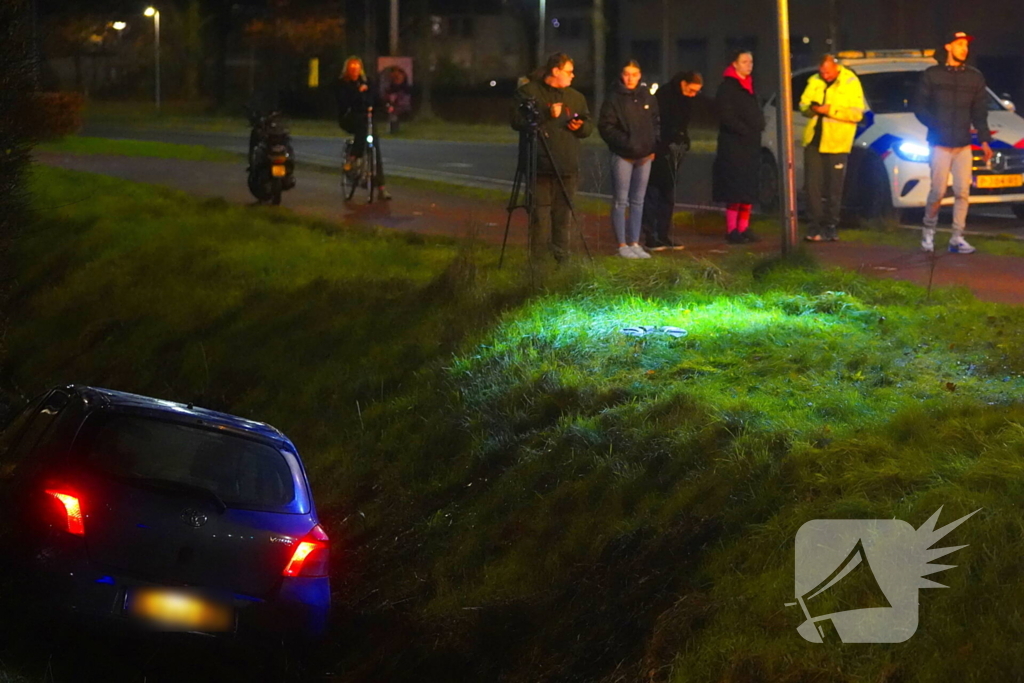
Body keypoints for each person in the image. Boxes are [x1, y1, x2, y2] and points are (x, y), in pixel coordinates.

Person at [913, 31, 993, 254]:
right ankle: (928, 233)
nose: (964, 49)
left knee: (962, 192)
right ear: (948, 47)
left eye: (966, 45)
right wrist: (935, 125)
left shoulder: (974, 77)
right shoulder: (932, 75)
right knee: (938, 192)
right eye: (959, 44)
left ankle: (957, 237)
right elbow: (919, 106)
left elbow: (979, 112)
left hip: (963, 144)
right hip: (939, 144)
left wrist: (985, 141)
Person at [511, 52, 593, 264]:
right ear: (555, 71)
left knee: (563, 219)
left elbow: (588, 127)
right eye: (569, 71)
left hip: (567, 167)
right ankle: (537, 266)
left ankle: (561, 264)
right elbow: (517, 121)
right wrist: (546, 114)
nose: (572, 76)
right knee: (539, 219)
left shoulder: (576, 98)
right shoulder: (528, 92)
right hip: (539, 166)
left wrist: (581, 126)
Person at [798, 54, 866, 242]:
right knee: (812, 187)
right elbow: (803, 104)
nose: (825, 76)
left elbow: (856, 113)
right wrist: (812, 109)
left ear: (836, 68)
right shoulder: (814, 81)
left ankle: (830, 226)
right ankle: (814, 226)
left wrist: (831, 110)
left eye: (827, 72)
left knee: (834, 188)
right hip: (814, 140)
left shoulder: (850, 82)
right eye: (822, 72)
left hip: (837, 142)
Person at [599, 60, 660, 259]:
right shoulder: (613, 98)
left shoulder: (647, 97)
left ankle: (635, 242)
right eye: (627, 74)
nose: (630, 78)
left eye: (634, 74)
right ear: (621, 75)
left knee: (638, 200)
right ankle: (622, 244)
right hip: (623, 155)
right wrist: (626, 143)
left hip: (645, 156)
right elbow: (606, 127)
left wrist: (652, 146)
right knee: (620, 200)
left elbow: (655, 122)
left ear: (640, 75)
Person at [641, 71, 703, 251]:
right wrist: (659, 147)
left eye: (696, 92)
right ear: (683, 83)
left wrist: (684, 142)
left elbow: (683, 124)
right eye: (691, 90)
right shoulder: (664, 96)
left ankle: (663, 234)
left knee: (668, 196)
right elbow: (658, 124)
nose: (693, 95)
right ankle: (650, 236)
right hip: (660, 151)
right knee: (652, 194)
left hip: (675, 151)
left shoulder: (686, 100)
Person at [712, 49, 765, 244]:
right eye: (744, 62)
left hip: (750, 144)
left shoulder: (750, 86)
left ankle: (744, 227)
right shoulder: (728, 87)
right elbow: (725, 115)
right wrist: (744, 129)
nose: (749, 65)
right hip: (733, 144)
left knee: (748, 188)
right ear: (735, 64)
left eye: (750, 61)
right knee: (735, 188)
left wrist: (760, 124)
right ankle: (732, 229)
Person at [337, 56, 391, 201]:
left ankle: (381, 188)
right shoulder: (344, 84)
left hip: (367, 119)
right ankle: (354, 157)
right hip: (350, 118)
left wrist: (386, 107)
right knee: (362, 127)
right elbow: (344, 103)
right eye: (352, 68)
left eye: (357, 68)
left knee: (375, 148)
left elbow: (376, 98)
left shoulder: (368, 82)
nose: (355, 71)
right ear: (347, 70)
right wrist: (358, 93)